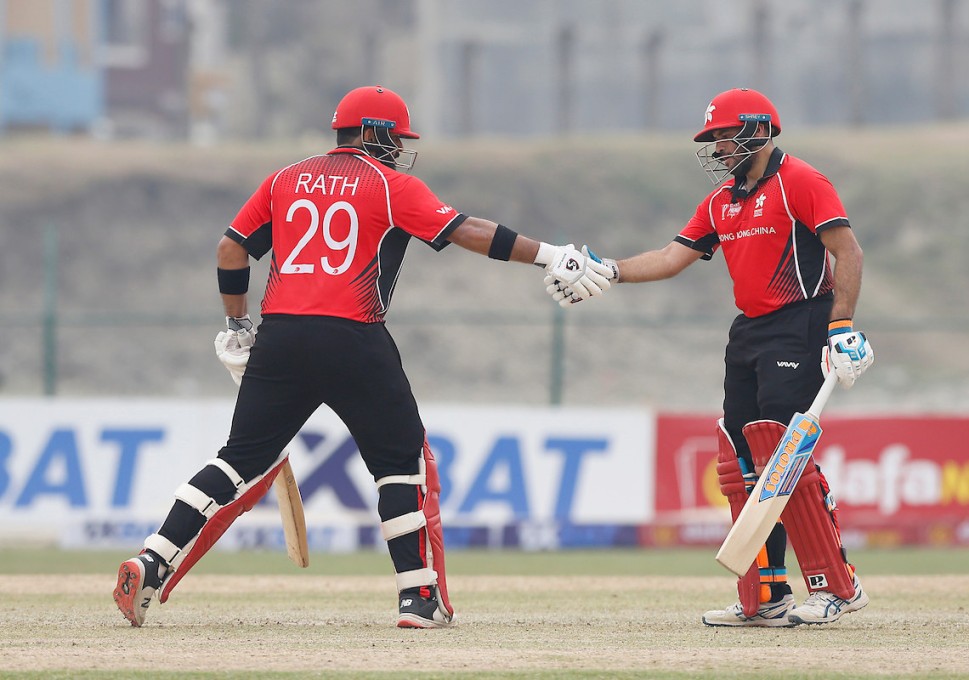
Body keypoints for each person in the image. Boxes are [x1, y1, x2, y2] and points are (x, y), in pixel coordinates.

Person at [113, 85, 612, 629]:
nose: (399, 149)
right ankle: (417, 598)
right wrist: (548, 255)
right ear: (373, 133)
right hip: (354, 336)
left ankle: (152, 560)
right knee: (400, 462)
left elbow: (231, 249)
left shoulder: (284, 178)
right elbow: (465, 229)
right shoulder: (388, 183)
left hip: (281, 336)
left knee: (238, 461)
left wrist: (238, 324)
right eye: (395, 138)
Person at [548, 87, 874, 626]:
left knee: (783, 453)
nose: (720, 146)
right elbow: (673, 256)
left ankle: (838, 586)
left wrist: (841, 327)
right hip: (748, 331)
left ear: (761, 131)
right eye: (714, 138)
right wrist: (608, 270)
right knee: (741, 458)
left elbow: (849, 252)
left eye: (727, 134)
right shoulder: (723, 199)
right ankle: (765, 596)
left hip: (800, 324)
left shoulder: (802, 182)